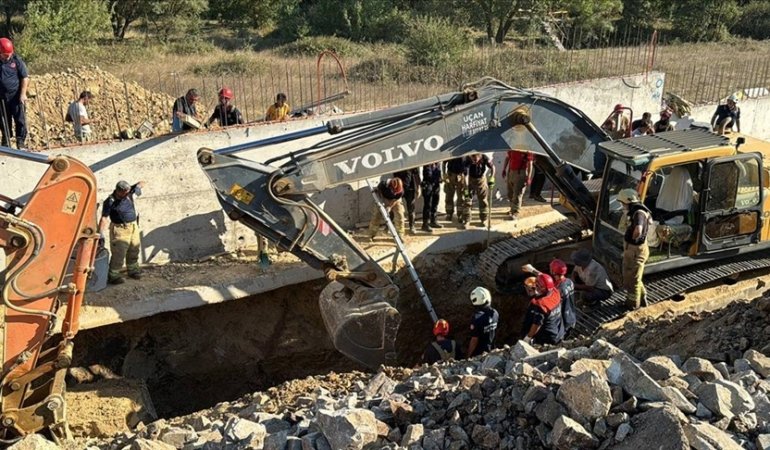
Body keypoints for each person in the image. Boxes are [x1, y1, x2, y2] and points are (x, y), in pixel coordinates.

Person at [99, 180, 145, 285]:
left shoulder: (129, 193)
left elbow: (142, 182)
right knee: (119, 253)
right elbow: (104, 218)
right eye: (126, 192)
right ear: (119, 191)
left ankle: (133, 270)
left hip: (133, 226)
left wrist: (137, 187)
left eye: (129, 191)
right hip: (120, 229)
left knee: (134, 249)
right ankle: (113, 276)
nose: (127, 194)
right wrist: (101, 233)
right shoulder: (110, 201)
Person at [618, 188, 652, 310]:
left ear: (628, 201)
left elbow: (638, 230)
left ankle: (633, 305)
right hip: (634, 250)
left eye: (622, 203)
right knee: (635, 277)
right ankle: (643, 299)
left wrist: (632, 240)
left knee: (633, 280)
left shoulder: (638, 213)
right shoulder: (638, 211)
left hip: (635, 251)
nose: (622, 206)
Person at [522, 259, 576, 335]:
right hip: (571, 316)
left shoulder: (558, 290)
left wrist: (536, 294)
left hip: (564, 321)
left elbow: (548, 300)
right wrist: (533, 270)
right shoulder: (568, 281)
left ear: (553, 271)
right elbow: (548, 281)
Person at [520, 273, 565, 345]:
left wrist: (528, 337)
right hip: (558, 331)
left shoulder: (541, 305)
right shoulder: (555, 291)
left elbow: (537, 324)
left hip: (547, 337)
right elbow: (547, 282)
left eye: (537, 285)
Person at [0, 37, 28, 149]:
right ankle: (6, 141)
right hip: (1, 98)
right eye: (5, 54)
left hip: (15, 97)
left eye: (9, 54)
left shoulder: (16, 61)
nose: (8, 56)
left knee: (20, 119)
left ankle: (20, 141)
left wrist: (23, 93)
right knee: (3, 120)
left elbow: (25, 77)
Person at [463, 153, 495, 228]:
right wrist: (466, 188)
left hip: (481, 180)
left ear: (479, 156)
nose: (474, 161)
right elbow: (465, 175)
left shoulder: (484, 157)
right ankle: (467, 220)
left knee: (483, 200)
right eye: (473, 159)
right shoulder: (467, 159)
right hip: (470, 180)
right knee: (467, 200)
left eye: (476, 160)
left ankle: (484, 219)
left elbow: (493, 167)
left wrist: (492, 177)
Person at [467, 286, 499, 358]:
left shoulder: (476, 318)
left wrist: (468, 356)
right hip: (491, 352)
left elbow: (474, 340)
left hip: (479, 356)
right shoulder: (495, 313)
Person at [502, 149, 533, 219]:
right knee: (510, 193)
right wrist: (504, 169)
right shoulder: (512, 148)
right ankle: (512, 209)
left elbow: (530, 164)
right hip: (511, 172)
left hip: (521, 173)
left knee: (517, 193)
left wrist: (528, 177)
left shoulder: (527, 151)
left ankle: (515, 212)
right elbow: (507, 158)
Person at [394, 168, 421, 234]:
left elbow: (416, 175)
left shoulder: (411, 161)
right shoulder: (397, 161)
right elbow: (394, 175)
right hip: (399, 189)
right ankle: (390, 227)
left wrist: (418, 188)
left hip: (410, 189)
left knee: (411, 209)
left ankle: (412, 226)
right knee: (395, 208)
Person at [443, 157, 468, 224]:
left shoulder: (465, 153)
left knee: (461, 197)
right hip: (450, 175)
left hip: (461, 176)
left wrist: (466, 179)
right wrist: (444, 174)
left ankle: (460, 215)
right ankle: (449, 214)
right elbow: (444, 162)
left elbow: (468, 165)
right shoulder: (450, 152)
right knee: (449, 195)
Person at [421, 162, 443, 232]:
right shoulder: (427, 163)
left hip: (436, 186)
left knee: (435, 204)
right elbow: (428, 175)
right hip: (428, 185)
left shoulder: (438, 163)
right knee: (428, 205)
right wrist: (437, 179)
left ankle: (433, 221)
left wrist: (440, 178)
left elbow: (439, 172)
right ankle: (425, 224)